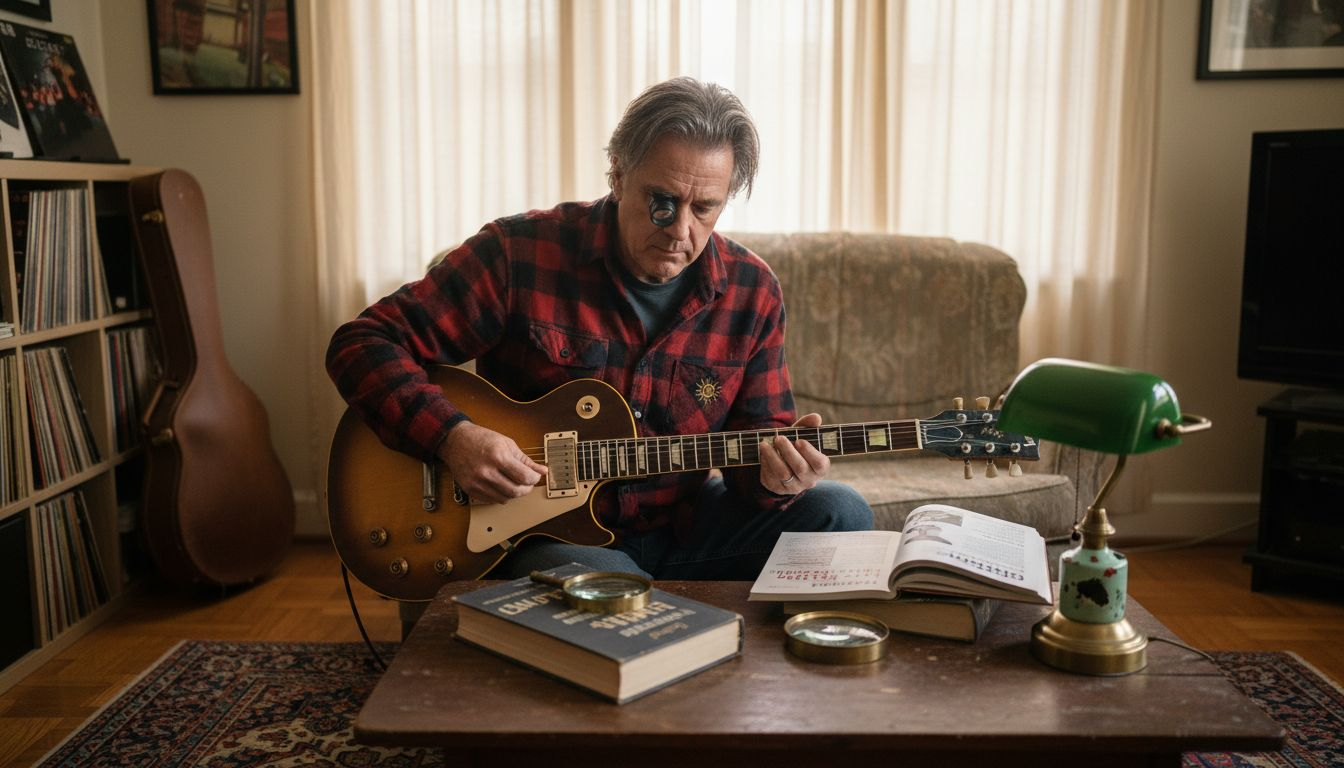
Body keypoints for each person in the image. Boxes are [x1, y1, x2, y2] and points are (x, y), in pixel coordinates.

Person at [326, 76, 873, 595]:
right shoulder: (519, 253)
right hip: (553, 538)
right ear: (617, 175)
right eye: (661, 201)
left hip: (682, 529)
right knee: (617, 594)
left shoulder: (752, 292)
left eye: (704, 208)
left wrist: (781, 478)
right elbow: (364, 342)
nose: (680, 230)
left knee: (842, 512)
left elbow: (755, 460)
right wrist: (453, 437)